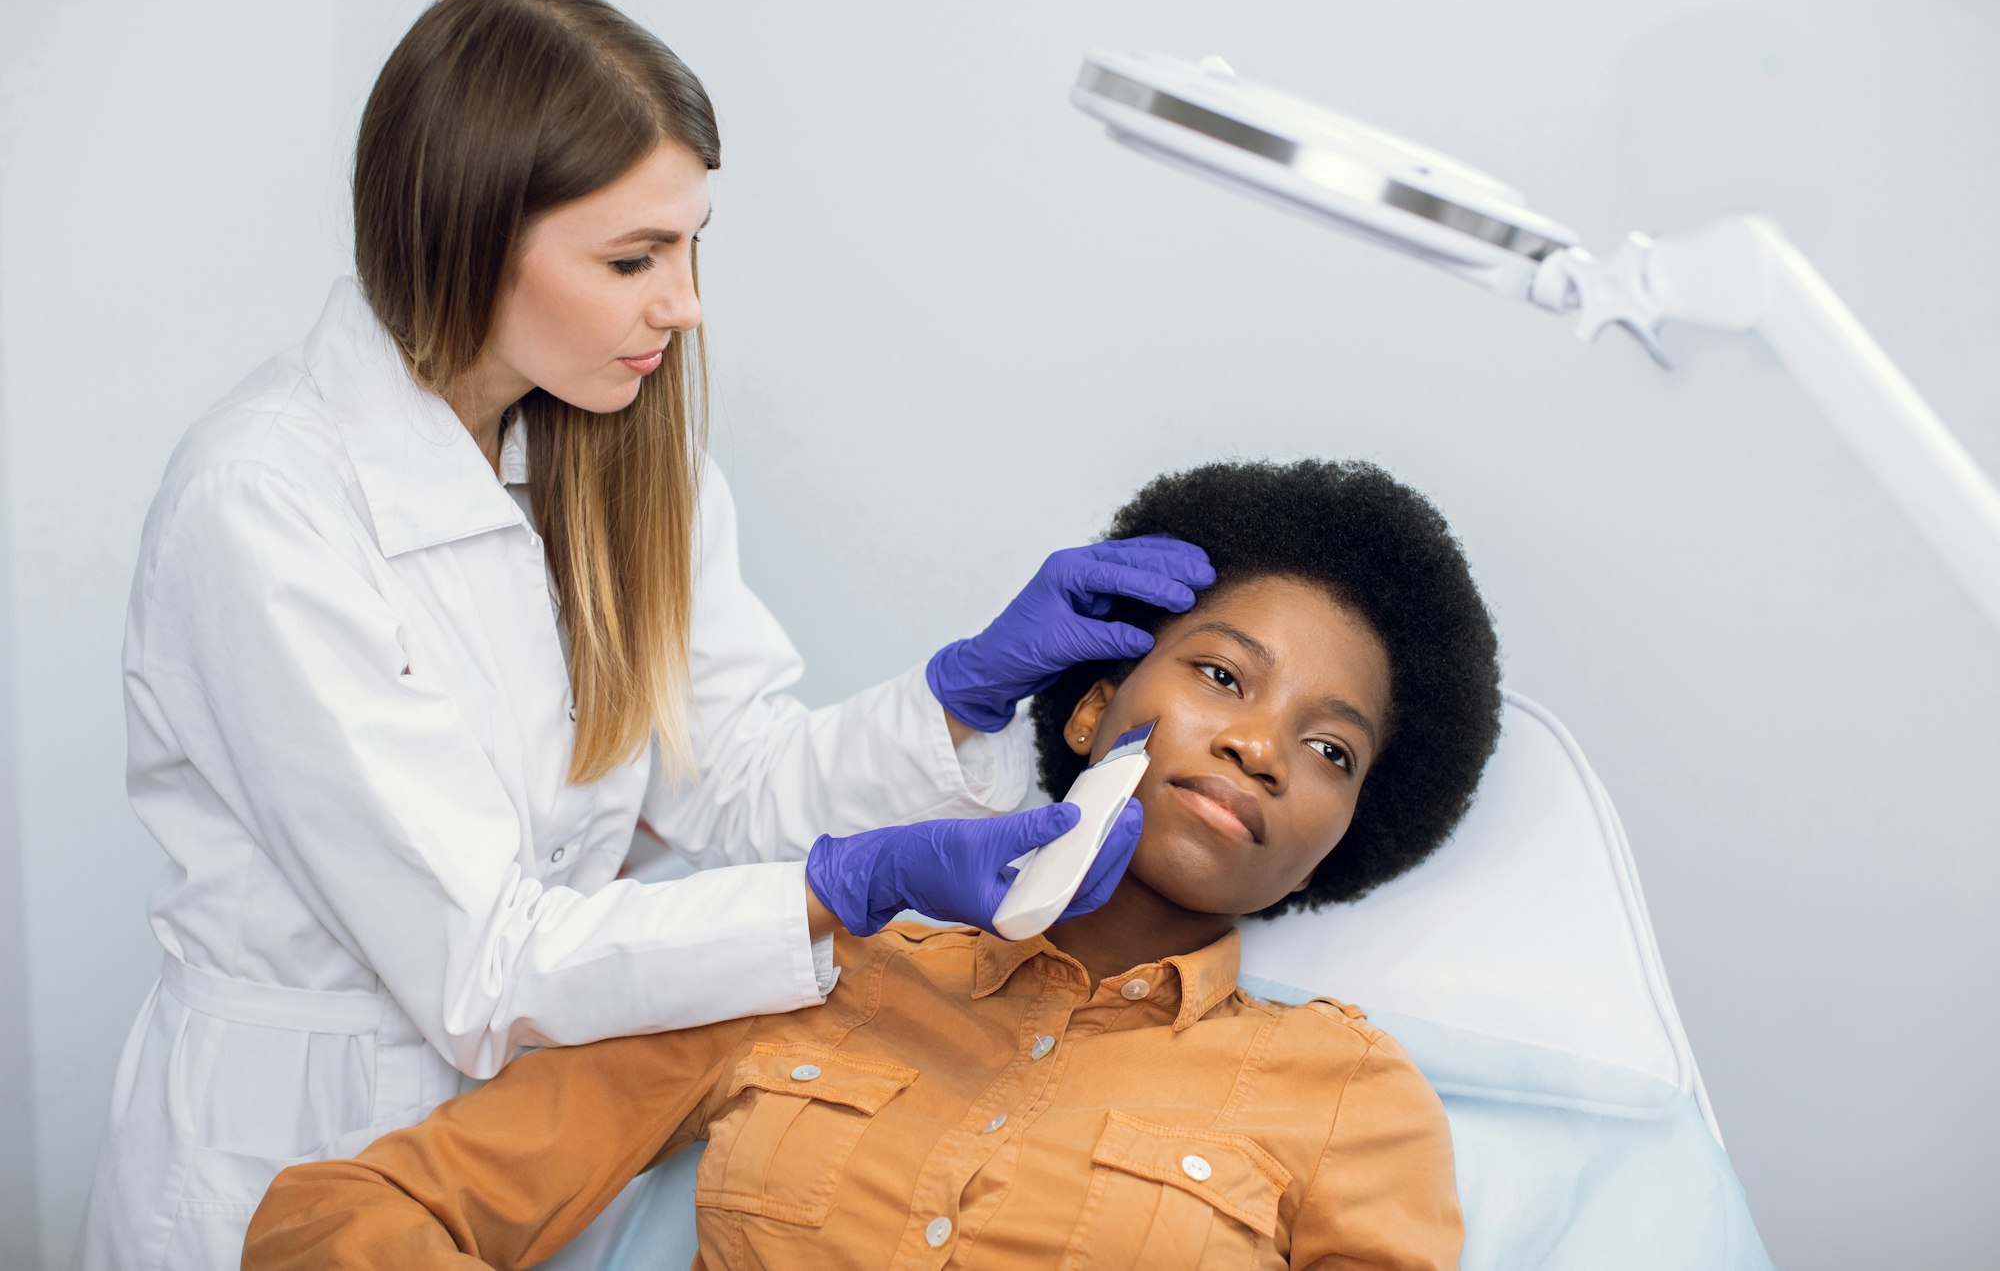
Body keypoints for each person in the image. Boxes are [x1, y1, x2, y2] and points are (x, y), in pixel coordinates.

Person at [74, 0, 1210, 1270]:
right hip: (290, 1144)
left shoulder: (620, 463)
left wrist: (956, 698)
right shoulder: (266, 503)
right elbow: (484, 965)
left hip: (549, 1141)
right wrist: (846, 889)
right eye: (632, 259)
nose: (684, 303)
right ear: (465, 237)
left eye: (689, 245)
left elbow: (727, 781)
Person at [242, 458, 1504, 1270]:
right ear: (1088, 707)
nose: (1258, 747)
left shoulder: (1349, 1101)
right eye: (1222, 674)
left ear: (1339, 839)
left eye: (1328, 749)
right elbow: (339, 1219)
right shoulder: (801, 966)